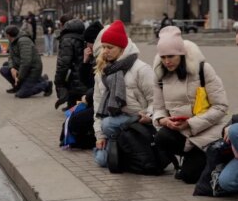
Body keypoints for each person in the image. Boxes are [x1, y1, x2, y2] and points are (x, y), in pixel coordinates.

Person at [152, 26, 228, 184]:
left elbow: (221, 107)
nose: (167, 61)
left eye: (171, 56)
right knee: (162, 137)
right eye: (163, 57)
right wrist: (163, 120)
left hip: (208, 131)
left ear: (181, 53)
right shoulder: (160, 75)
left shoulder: (203, 69)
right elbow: (158, 108)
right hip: (183, 133)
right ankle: (192, 157)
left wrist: (190, 123)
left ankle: (213, 156)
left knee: (189, 177)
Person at [93, 20, 154, 167]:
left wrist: (149, 116)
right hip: (115, 122)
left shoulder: (141, 69)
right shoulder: (102, 72)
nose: (105, 51)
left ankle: (126, 149)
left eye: (110, 47)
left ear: (122, 48)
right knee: (102, 160)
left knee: (108, 124)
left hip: (139, 120)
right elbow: (97, 107)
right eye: (104, 47)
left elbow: (156, 99)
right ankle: (120, 147)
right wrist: (99, 136)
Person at [0, 25, 53, 98]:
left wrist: (19, 77)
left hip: (33, 69)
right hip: (22, 67)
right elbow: (10, 56)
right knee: (4, 69)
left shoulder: (23, 41)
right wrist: (12, 68)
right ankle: (19, 86)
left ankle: (46, 84)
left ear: (8, 35)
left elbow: (26, 62)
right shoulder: (12, 41)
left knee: (22, 94)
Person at [54, 15, 87, 110]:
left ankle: (73, 106)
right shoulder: (82, 36)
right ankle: (73, 105)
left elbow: (63, 63)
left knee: (72, 87)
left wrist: (58, 82)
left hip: (72, 75)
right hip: (82, 73)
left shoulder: (66, 39)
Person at [79, 20, 104, 89]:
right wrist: (85, 62)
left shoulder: (101, 58)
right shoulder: (93, 57)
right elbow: (84, 81)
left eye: (88, 42)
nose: (87, 45)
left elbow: (91, 84)